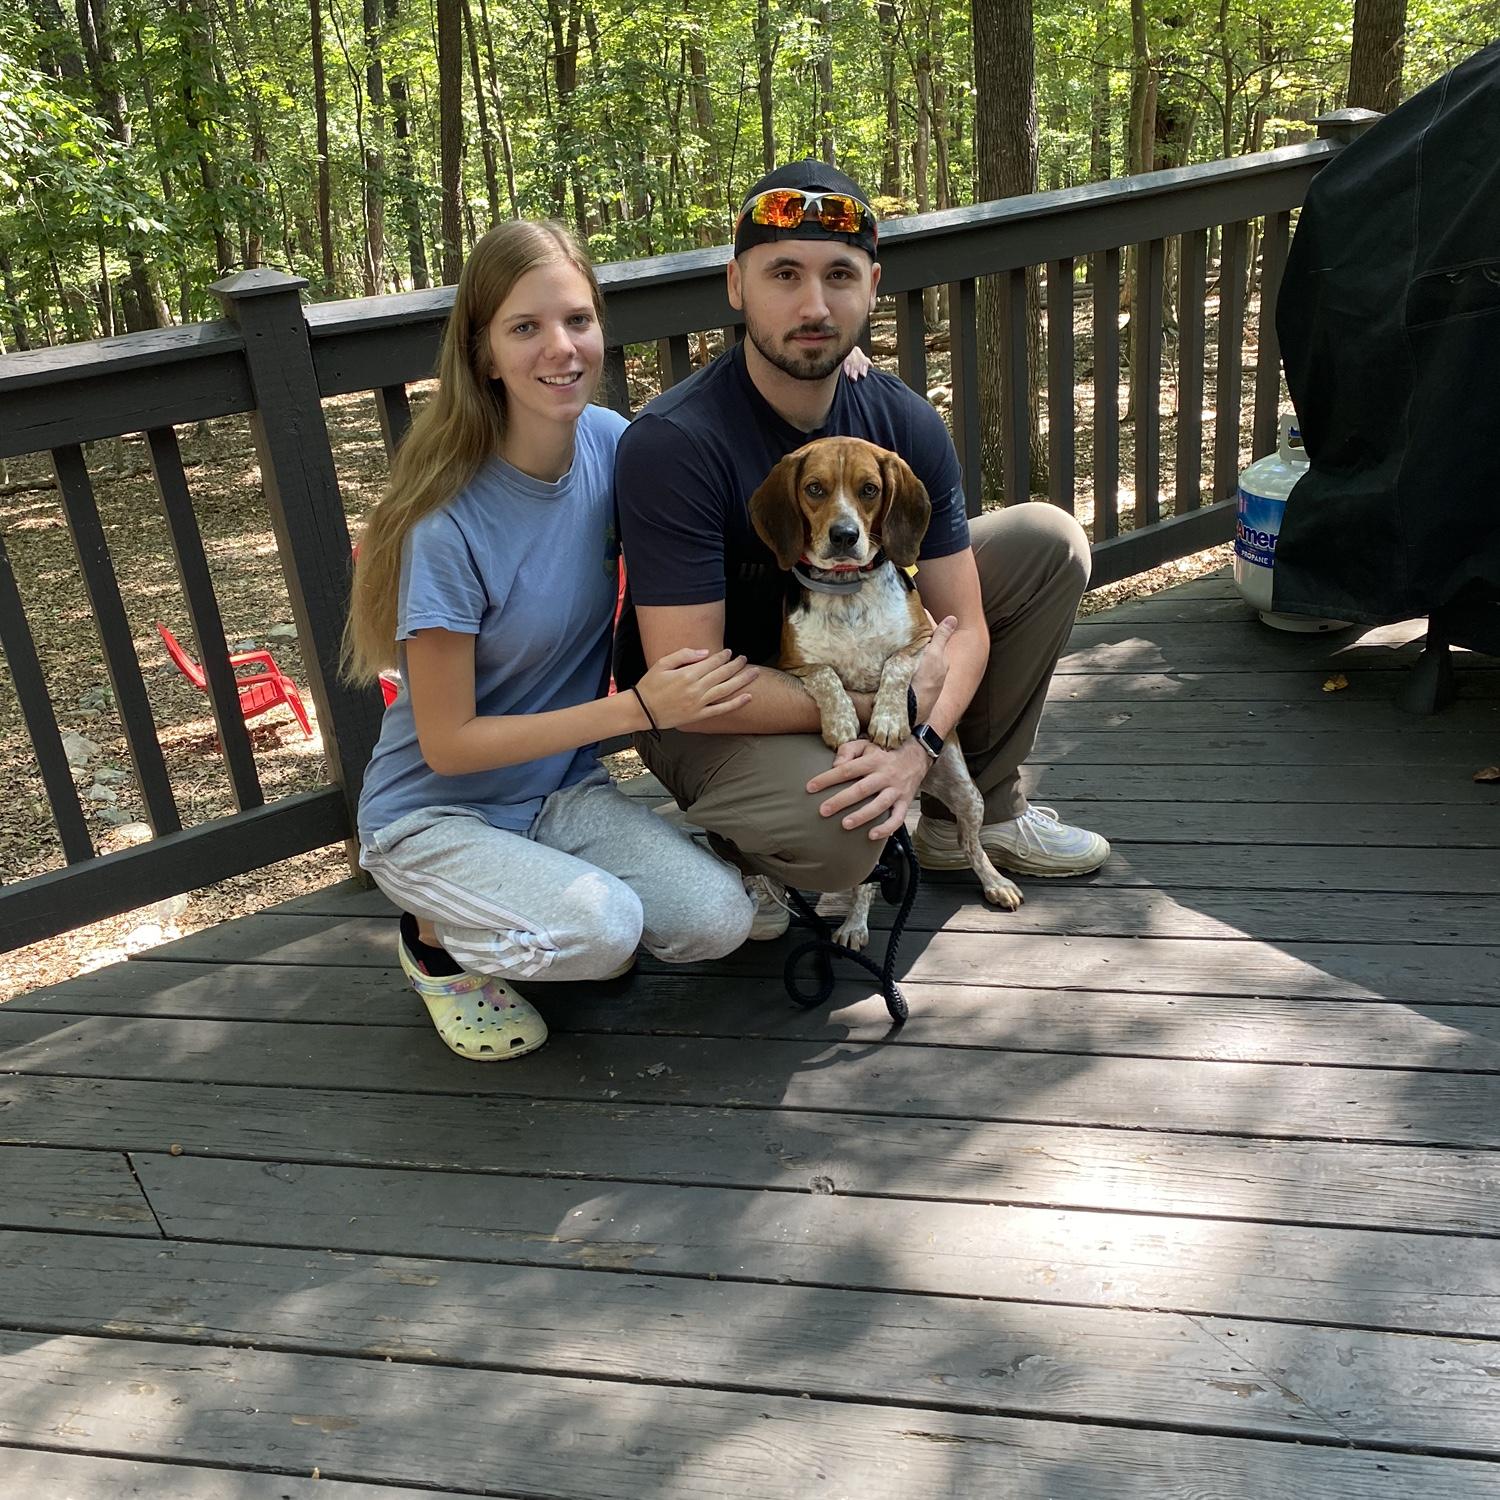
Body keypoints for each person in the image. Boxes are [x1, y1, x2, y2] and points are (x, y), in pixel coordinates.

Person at [613, 160, 1109, 937]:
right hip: (710, 710)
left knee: (1046, 543)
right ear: (736, 285)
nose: (814, 305)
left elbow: (965, 627)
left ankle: (977, 811)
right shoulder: (675, 444)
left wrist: (917, 748)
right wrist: (889, 707)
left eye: (839, 275)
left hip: (851, 656)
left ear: (872, 287)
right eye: (784, 274)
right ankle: (739, 845)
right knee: (847, 831)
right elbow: (690, 687)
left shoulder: (901, 422)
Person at [344, 220, 758, 1062]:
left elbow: (719, 451)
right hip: (433, 815)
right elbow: (448, 745)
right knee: (603, 933)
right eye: (525, 327)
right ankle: (433, 940)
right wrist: (637, 709)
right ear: (485, 354)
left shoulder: (610, 443)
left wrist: (837, 376)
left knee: (718, 921)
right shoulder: (446, 525)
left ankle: (534, 903)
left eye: (577, 320)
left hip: (558, 792)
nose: (560, 349)